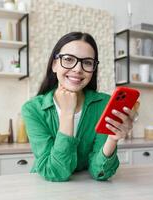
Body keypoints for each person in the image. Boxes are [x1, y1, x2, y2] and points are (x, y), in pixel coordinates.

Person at [22, 32, 138, 182]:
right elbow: (54, 172)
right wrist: (67, 114)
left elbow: (100, 172)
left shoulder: (104, 104)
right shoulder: (33, 109)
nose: (78, 69)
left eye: (88, 62)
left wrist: (112, 139)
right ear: (54, 64)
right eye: (69, 59)